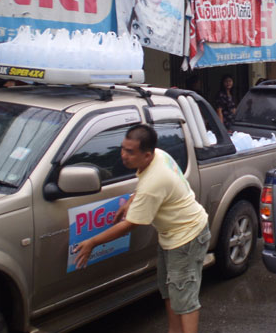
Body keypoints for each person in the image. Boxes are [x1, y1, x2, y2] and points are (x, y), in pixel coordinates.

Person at [74, 124, 210, 333]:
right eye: (123, 148)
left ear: (147, 155)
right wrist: (131, 200)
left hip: (187, 237)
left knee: (184, 296)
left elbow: (130, 224)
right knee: (170, 290)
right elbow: (145, 184)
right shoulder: (158, 155)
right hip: (172, 235)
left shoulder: (155, 180)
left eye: (130, 152)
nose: (123, 155)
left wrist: (93, 242)